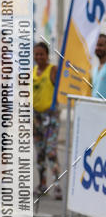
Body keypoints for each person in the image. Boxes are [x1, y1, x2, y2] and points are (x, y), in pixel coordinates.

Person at [33, 41, 62, 199]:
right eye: (36, 54)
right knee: (40, 152)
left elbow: (61, 86)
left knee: (51, 152)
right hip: (36, 117)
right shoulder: (33, 71)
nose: (38, 57)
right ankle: (42, 183)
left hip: (50, 117)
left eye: (41, 54)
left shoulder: (53, 70)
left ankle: (56, 185)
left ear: (47, 55)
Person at [92, 33, 106, 100]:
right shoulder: (94, 70)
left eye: (100, 45)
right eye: (96, 45)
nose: (97, 48)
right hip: (94, 108)